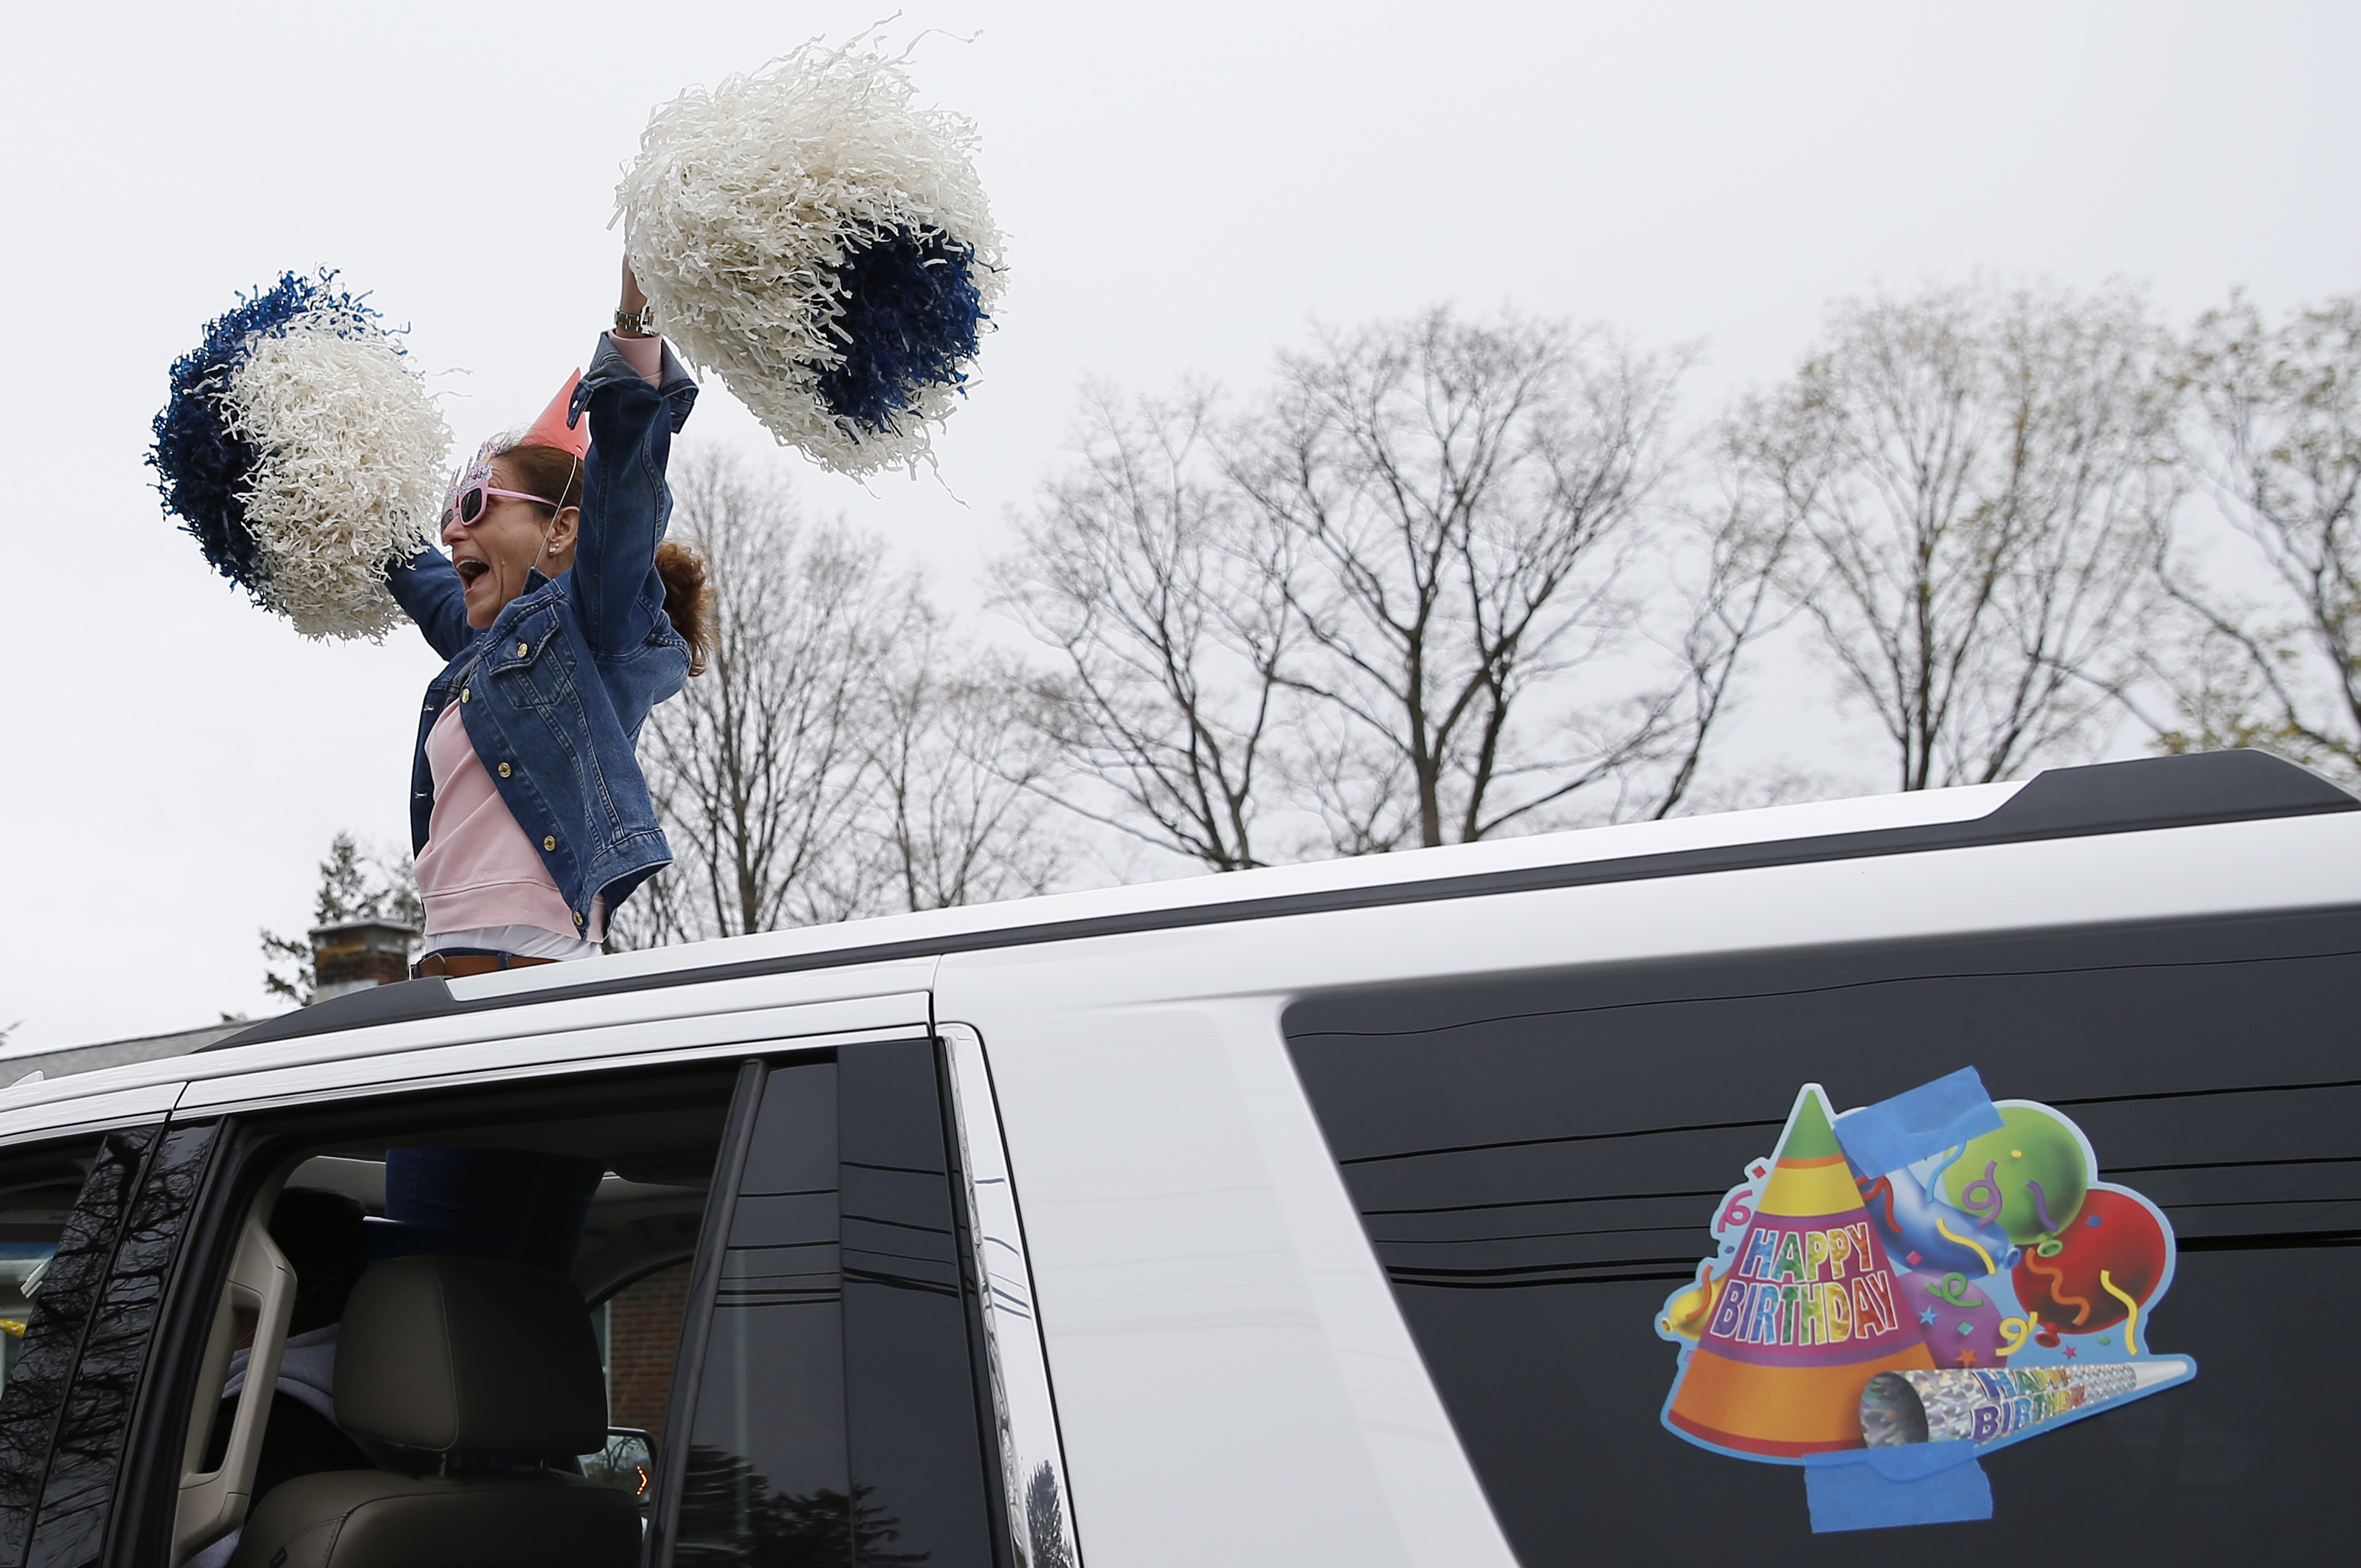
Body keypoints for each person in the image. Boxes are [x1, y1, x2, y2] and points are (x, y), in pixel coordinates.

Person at [387, 262, 711, 977]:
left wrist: (633, 331)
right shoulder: (478, 655)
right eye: (447, 516)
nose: (451, 533)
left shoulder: (589, 631)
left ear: (562, 531)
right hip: (445, 977)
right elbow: (417, 574)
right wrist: (341, 478)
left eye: (475, 506)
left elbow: (623, 491)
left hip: (528, 975)